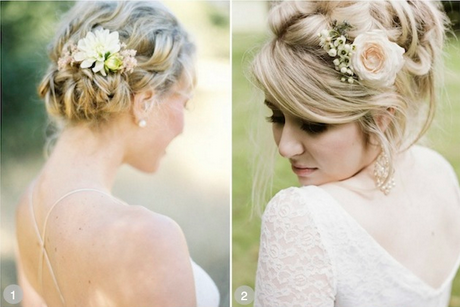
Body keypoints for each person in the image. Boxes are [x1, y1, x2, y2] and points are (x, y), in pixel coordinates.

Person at [251, 1, 460, 306]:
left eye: (313, 125)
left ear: (380, 117)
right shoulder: (440, 171)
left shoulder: (301, 217)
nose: (285, 147)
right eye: (277, 117)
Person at [15, 2, 220, 306]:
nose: (183, 127)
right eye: (184, 103)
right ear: (145, 102)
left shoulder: (27, 207)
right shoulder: (147, 239)